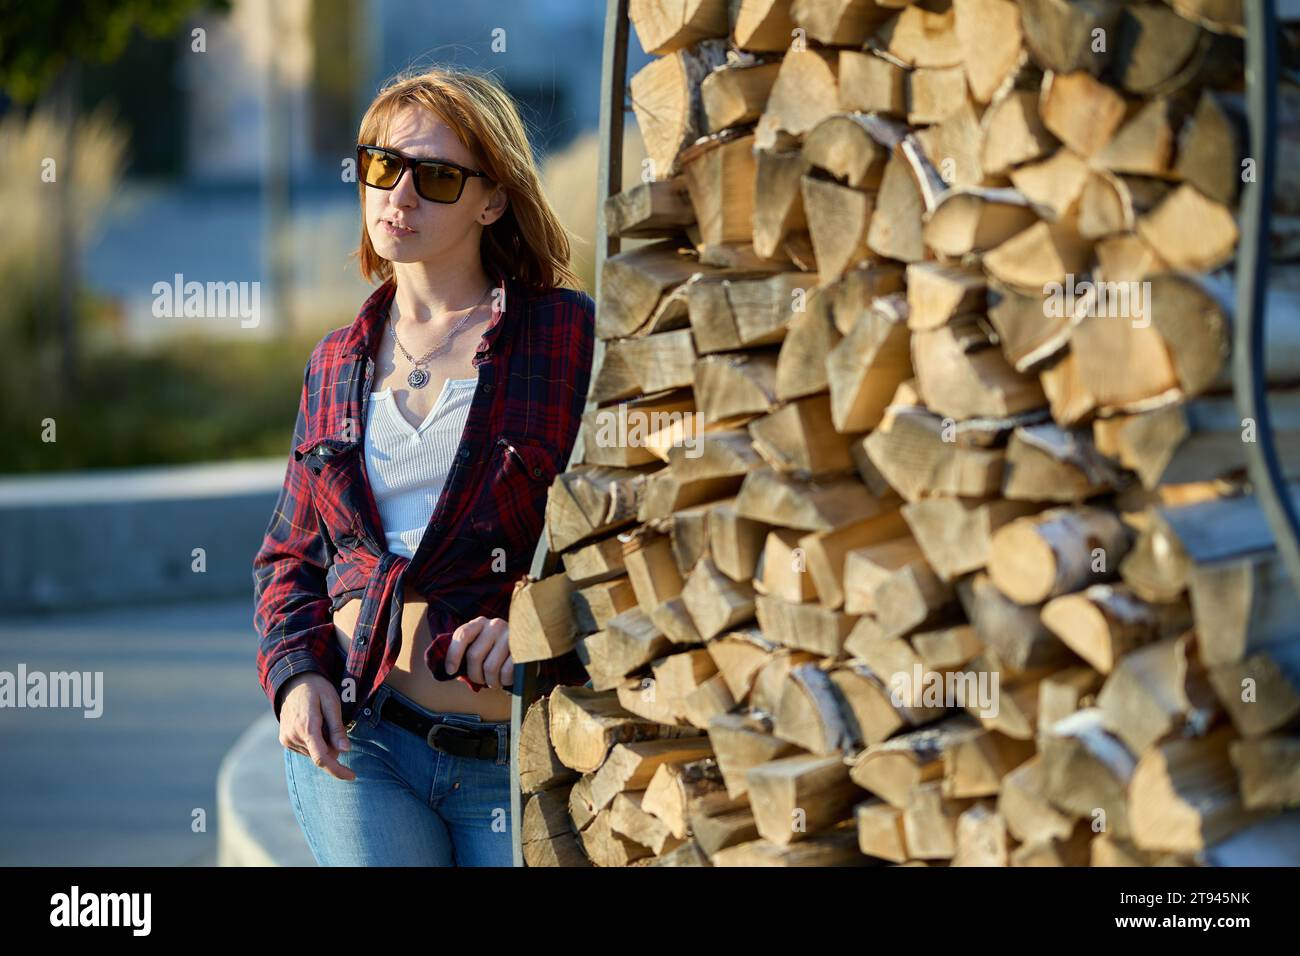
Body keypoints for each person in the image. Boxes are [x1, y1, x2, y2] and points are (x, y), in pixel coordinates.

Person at [252, 65, 594, 866]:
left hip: (512, 755)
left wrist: (537, 621)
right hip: (363, 743)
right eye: (382, 166)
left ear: (492, 199)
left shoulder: (562, 338)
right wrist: (297, 677)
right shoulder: (335, 361)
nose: (398, 196)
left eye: (436, 176)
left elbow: (624, 529)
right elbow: (289, 559)